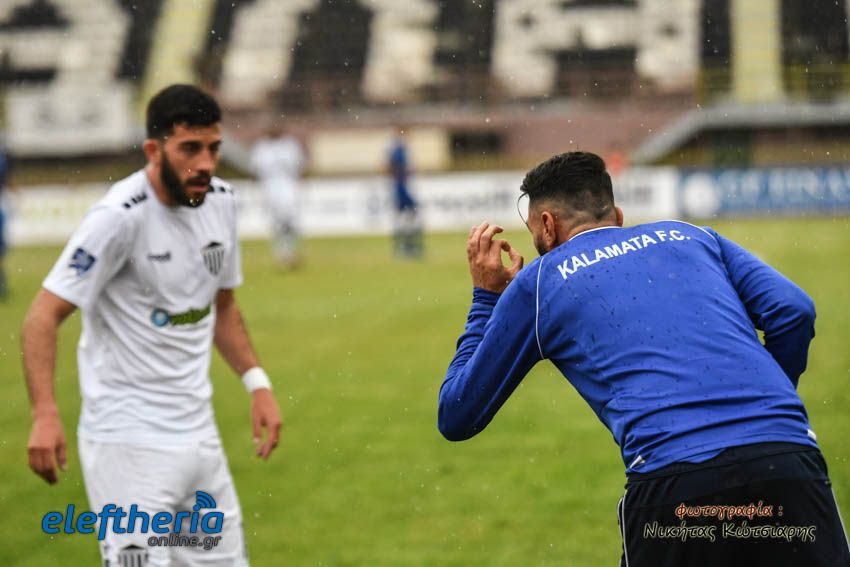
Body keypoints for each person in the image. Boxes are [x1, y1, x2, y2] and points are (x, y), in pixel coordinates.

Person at [437, 152, 850, 566]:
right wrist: (762, 413)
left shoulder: (540, 280)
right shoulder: (693, 236)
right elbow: (793, 311)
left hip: (676, 485)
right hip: (789, 464)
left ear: (547, 225)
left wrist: (486, 298)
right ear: (617, 215)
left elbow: (457, 413)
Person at [22, 84, 282, 566]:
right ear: (153, 150)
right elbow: (42, 315)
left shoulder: (223, 202)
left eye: (214, 148)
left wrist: (257, 383)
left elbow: (222, 306)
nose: (205, 163)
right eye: (190, 148)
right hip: (128, 443)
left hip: (199, 435)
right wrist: (45, 413)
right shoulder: (118, 217)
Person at [250, 124, 306, 269]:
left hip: (288, 187)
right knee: (276, 224)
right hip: (269, 189)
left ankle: (292, 252)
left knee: (290, 221)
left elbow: (301, 166)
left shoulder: (290, 145)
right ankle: (281, 255)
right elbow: (255, 170)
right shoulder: (261, 147)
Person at [387, 128, 423, 258]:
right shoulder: (398, 150)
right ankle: (407, 246)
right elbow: (391, 167)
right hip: (401, 188)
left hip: (401, 187)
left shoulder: (399, 150)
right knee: (410, 214)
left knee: (404, 216)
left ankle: (403, 247)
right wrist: (404, 172)